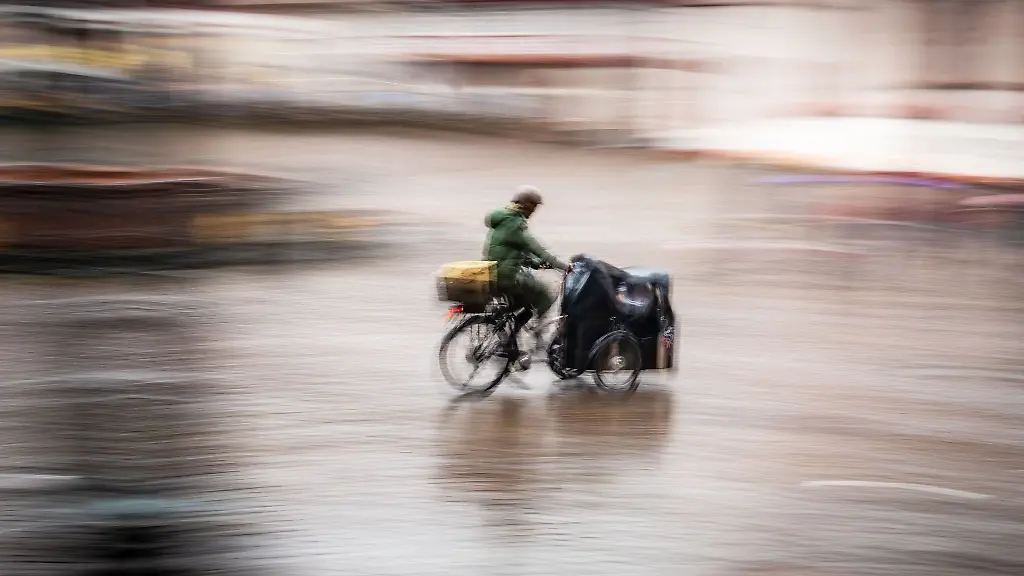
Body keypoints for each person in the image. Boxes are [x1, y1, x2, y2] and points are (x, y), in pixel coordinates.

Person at [483, 186, 569, 365]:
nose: (534, 211)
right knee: (545, 295)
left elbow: (515, 253)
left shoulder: (505, 219)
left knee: (523, 308)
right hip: (507, 277)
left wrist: (537, 264)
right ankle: (535, 338)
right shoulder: (515, 224)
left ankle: (508, 342)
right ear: (525, 205)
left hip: (494, 274)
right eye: (534, 207)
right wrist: (564, 267)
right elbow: (536, 248)